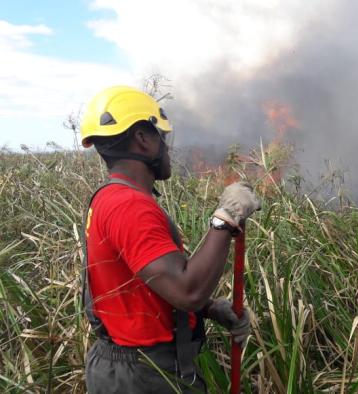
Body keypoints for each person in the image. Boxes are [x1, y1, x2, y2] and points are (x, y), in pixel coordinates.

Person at [79, 86, 261, 393]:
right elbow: (186, 290)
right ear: (143, 139)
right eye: (161, 137)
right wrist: (226, 218)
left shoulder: (111, 198)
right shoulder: (130, 206)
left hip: (127, 368)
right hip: (144, 376)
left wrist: (209, 308)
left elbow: (139, 284)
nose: (166, 147)